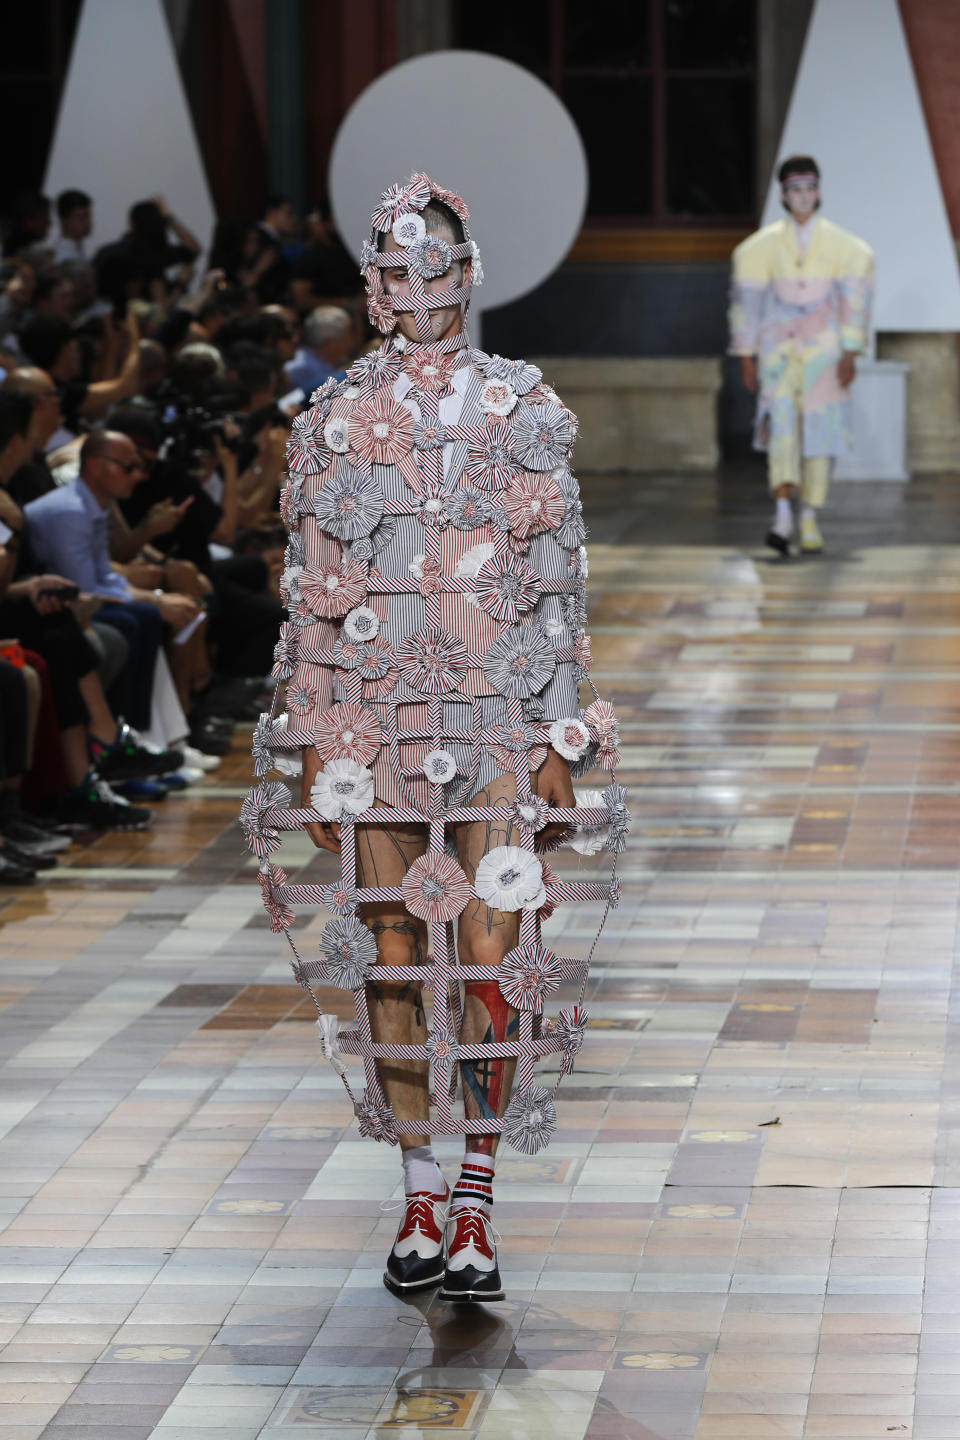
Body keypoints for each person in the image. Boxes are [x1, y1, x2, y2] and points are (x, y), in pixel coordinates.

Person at [246, 172, 625, 1304]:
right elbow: (311, 594)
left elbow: (559, 589)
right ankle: (417, 1187)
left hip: (503, 720)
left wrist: (564, 736)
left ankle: (476, 1199)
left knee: (499, 959)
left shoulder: (525, 410)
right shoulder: (327, 424)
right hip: (369, 726)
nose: (422, 290)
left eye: (440, 268)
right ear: (371, 289)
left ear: (471, 273)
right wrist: (312, 746)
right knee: (394, 960)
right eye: (400, 272)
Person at [729, 155, 874, 557]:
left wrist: (850, 351)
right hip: (778, 350)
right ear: (783, 195)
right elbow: (749, 301)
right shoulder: (763, 246)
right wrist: (746, 353)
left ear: (819, 192)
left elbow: (853, 301)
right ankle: (781, 515)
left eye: (809, 189)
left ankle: (809, 514)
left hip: (823, 350)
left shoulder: (845, 246)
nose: (803, 197)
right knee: (781, 429)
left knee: (820, 431)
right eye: (795, 190)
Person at [283, 305, 352, 398]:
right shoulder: (297, 370)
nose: (350, 343)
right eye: (345, 338)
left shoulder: (329, 365)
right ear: (330, 344)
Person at [53, 191, 93, 264]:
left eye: (88, 216)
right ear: (65, 220)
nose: (87, 222)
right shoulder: (63, 256)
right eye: (81, 218)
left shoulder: (77, 247)